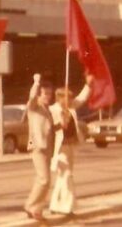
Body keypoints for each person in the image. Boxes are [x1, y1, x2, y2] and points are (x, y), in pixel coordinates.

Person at [49, 74, 93, 216]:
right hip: (58, 148)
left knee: (63, 176)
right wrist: (60, 124)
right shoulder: (52, 110)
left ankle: (55, 205)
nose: (70, 101)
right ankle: (67, 208)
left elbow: (82, 98)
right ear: (59, 98)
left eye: (70, 98)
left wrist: (89, 85)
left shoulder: (71, 107)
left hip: (70, 146)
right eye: (66, 98)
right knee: (66, 175)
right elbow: (49, 128)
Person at [24, 73, 55, 221]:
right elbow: (31, 97)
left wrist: (61, 125)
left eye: (50, 93)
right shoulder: (34, 106)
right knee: (44, 179)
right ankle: (31, 206)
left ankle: (36, 208)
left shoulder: (46, 109)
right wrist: (36, 82)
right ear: (39, 94)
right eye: (45, 93)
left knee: (41, 179)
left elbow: (49, 128)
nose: (48, 96)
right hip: (37, 146)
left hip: (47, 147)